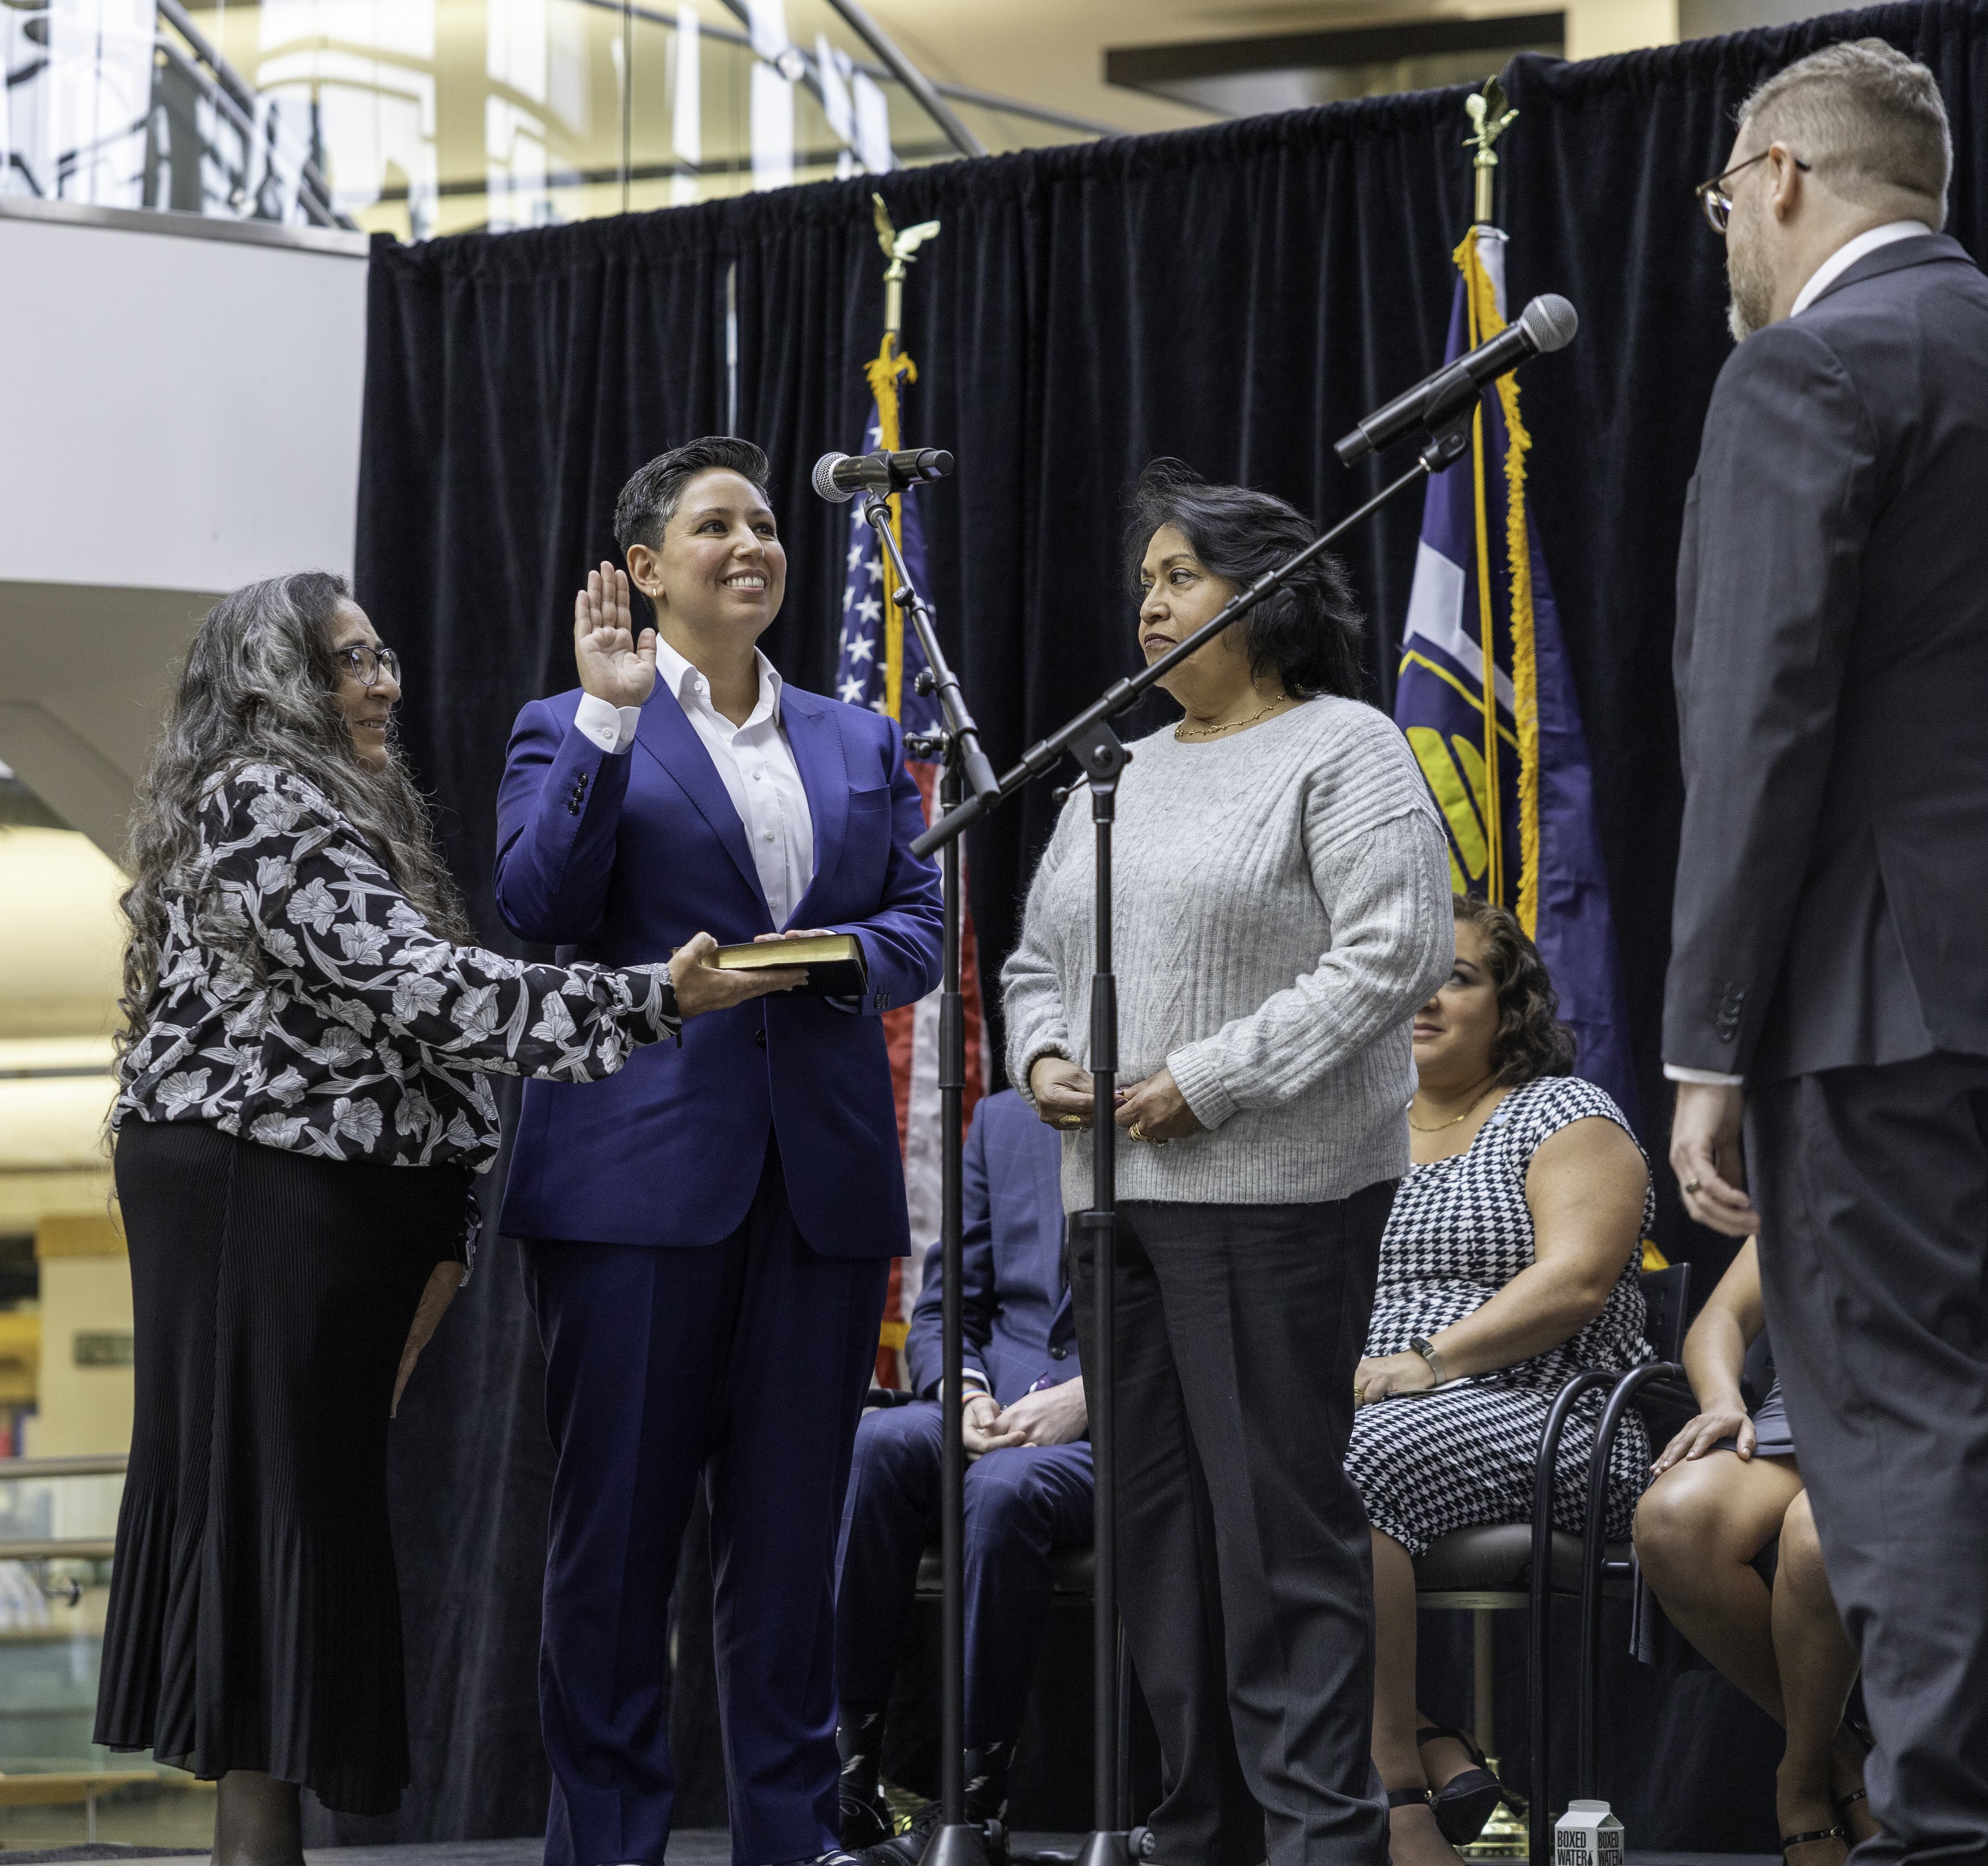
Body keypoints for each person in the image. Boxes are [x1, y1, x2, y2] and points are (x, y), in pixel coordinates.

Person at [94, 571, 786, 1863]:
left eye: (384, 657)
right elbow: (419, 990)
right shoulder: (262, 795)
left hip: (315, 1200)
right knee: (270, 1515)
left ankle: (264, 1842)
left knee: (297, 1518)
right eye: (350, 663)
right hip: (256, 1190)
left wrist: (447, 1239)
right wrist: (649, 999)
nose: (384, 684)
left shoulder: (341, 804)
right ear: (277, 686)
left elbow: (419, 1047)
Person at [1659, 38, 1988, 1866]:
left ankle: (1950, 1832)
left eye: (1722, 202)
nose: (1724, 239)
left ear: (1778, 175)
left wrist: (1710, 1035)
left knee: (1895, 1419)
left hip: (1861, 988)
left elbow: (1760, 716)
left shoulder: (1806, 364)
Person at [492, 437, 944, 1866]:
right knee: (617, 1549)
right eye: (715, 527)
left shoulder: (860, 739)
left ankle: (791, 1843)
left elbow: (920, 926)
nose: (752, 544)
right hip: (632, 1192)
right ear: (644, 569)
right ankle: (609, 1848)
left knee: (791, 1551)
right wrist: (608, 723)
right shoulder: (566, 723)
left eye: (764, 524)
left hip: (820, 1193)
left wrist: (833, 959)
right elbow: (539, 905)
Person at [1000, 460, 1454, 1866]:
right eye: (1144, 581)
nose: (1149, 604)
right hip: (1113, 1204)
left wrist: (1213, 1079)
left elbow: (1397, 951)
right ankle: (1197, 1832)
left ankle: (1321, 1840)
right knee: (1156, 1545)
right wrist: (1042, 1057)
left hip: (1275, 1201)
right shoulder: (1114, 771)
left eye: (1180, 576)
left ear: (1265, 597)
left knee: (1276, 1539)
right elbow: (1035, 961)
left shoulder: (1345, 748)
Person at [1347, 898, 1653, 1866]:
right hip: (1366, 1407)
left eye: (1457, 977)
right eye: (1407, 978)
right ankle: (1435, 1744)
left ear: (1508, 1005)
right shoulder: (1352, 1128)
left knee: (1342, 1461)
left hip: (1553, 1411)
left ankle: (1398, 1793)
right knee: (1208, 1462)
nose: (1425, 998)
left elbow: (1578, 1280)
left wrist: (1428, 1362)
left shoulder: (1562, 1112)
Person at [834, 1090, 1089, 1846]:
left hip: (1120, 1423)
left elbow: (1204, 1319)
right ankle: (848, 1783)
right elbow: (945, 1312)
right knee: (878, 1444)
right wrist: (966, 1393)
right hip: (993, 1402)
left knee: (1005, 1488)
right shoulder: (1004, 1119)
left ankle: (974, 1809)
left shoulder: (1172, 1109)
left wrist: (1089, 1397)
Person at [1634, 1244, 1877, 1864]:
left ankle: (1800, 1782)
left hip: (1926, 1419)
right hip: (1795, 1414)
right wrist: (1723, 1401)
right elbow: (1723, 1317)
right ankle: (1841, 1756)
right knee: (1672, 1521)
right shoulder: (1803, 1181)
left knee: (1817, 1534)